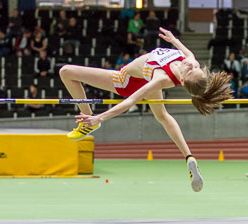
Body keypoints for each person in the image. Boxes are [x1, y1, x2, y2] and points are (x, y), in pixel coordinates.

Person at [59, 27, 234, 192]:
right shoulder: (190, 62)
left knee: (66, 71)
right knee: (163, 116)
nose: (192, 64)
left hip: (125, 81)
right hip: (144, 78)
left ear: (181, 81)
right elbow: (189, 54)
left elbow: (130, 101)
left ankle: (88, 120)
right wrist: (173, 40)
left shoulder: (161, 78)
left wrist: (98, 118)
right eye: (196, 67)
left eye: (191, 70)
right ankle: (189, 157)